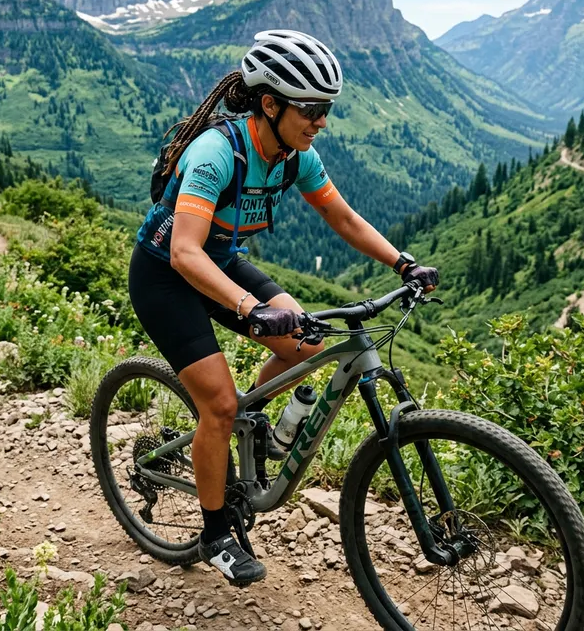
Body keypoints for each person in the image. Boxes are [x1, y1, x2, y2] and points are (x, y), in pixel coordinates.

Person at [129, 29, 439, 586]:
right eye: (312, 109)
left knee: (307, 344)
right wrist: (251, 306)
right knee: (219, 406)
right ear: (269, 103)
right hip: (166, 275)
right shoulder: (216, 153)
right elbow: (183, 252)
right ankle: (215, 533)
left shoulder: (297, 156)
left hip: (220, 262)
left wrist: (402, 263)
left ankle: (258, 432)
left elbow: (343, 219)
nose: (322, 121)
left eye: (327, 110)